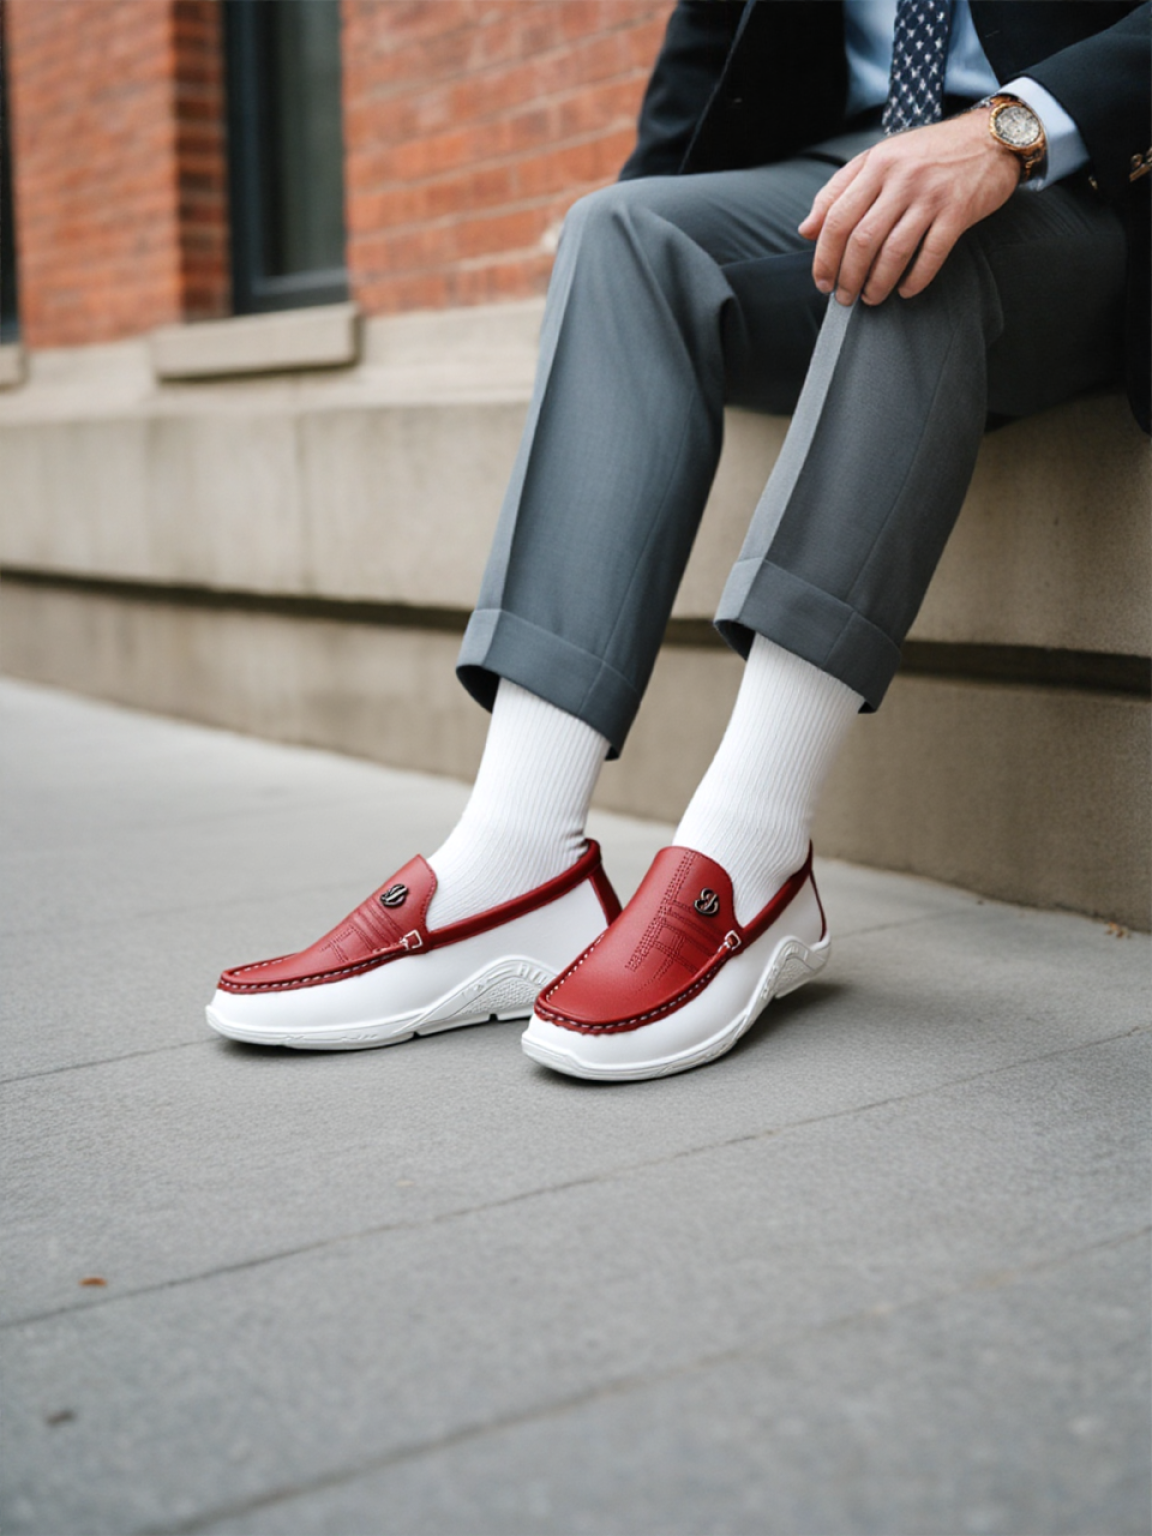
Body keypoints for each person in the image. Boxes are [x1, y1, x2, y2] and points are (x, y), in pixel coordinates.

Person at [206, 0, 1150, 1081]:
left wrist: (1010, 130)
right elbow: (711, 46)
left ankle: (753, 851)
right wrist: (619, 303)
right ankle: (518, 859)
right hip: (830, 174)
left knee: (909, 233)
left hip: (1089, 181)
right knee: (623, 233)